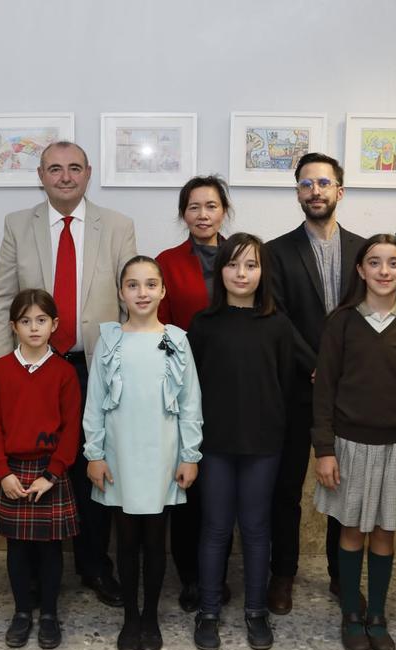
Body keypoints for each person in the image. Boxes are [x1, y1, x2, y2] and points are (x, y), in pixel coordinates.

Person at [0, 140, 136, 607]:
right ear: (41, 174)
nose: (65, 176)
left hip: (95, 367)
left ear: (88, 173)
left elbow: (131, 298)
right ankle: (34, 570)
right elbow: (0, 297)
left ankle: (94, 566)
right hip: (35, 370)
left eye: (74, 168)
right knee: (38, 465)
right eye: (55, 169)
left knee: (93, 471)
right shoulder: (18, 224)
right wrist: (4, 367)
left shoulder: (117, 226)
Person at [312, 235, 396, 650]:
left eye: (393, 263)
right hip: (349, 446)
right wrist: (324, 449)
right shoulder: (342, 321)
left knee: (385, 533)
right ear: (361, 270)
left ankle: (377, 615)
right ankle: (351, 613)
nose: (384, 271)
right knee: (350, 530)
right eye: (375, 263)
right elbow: (324, 390)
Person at [187, 234, 314, 650]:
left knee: (258, 528)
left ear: (264, 274)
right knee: (216, 527)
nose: (242, 274)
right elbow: (192, 388)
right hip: (216, 444)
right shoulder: (203, 324)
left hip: (263, 443)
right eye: (233, 265)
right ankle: (208, 611)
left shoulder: (277, 324)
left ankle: (256, 611)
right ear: (220, 270)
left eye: (251, 266)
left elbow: (292, 376)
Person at [83, 256, 203, 650]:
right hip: (119, 455)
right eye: (133, 285)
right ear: (121, 292)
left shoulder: (177, 339)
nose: (142, 293)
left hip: (163, 455)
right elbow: (95, 401)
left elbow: (190, 404)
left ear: (163, 291)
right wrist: (95, 454)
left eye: (151, 284)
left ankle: (151, 615)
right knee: (127, 540)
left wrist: (190, 455)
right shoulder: (109, 340)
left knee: (156, 541)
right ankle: (130, 616)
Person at [265, 153, 367, 614]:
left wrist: (340, 371)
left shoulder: (366, 252)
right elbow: (279, 320)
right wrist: (317, 366)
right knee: (285, 488)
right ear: (298, 194)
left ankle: (341, 576)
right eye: (306, 184)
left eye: (324, 183)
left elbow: (371, 321)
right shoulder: (275, 252)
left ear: (340, 191)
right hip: (293, 388)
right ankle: (282, 574)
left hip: (348, 393)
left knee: (341, 487)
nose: (315, 191)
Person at [0, 289, 83, 650]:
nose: (34, 327)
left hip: (48, 472)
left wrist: (53, 473)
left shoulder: (64, 372)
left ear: (54, 324)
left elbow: (71, 429)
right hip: (12, 471)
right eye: (26, 321)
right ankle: (23, 611)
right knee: (18, 548)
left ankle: (50, 614)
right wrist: (2, 471)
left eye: (41, 320)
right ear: (14, 327)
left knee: (50, 549)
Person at [156, 175, 235, 612]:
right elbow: (160, 328)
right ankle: (189, 576)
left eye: (211, 206)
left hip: (232, 389)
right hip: (182, 387)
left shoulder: (242, 256)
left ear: (224, 210)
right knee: (188, 487)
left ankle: (217, 574)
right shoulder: (166, 262)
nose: (203, 215)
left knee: (223, 486)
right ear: (183, 214)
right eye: (194, 207)